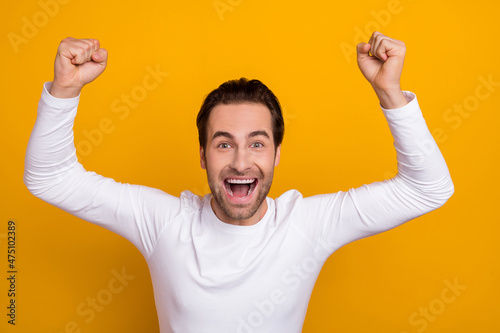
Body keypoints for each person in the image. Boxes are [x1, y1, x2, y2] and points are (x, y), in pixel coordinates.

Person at [24, 32, 454, 332]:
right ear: (203, 155)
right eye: (224, 144)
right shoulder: (163, 221)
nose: (242, 162)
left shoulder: (307, 224)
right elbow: (50, 177)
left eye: (258, 144)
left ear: (277, 154)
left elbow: (428, 188)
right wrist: (65, 90)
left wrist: (390, 93)